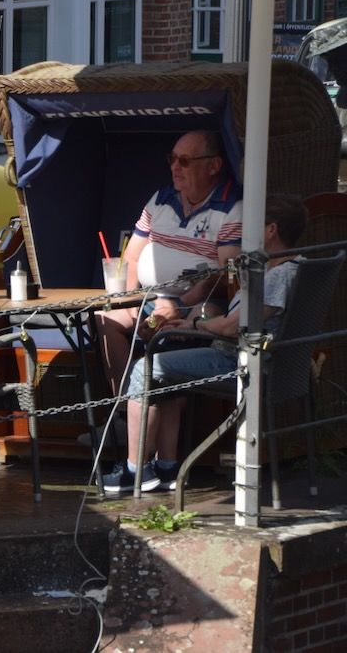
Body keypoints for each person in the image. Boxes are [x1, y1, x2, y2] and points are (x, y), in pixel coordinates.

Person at [102, 193, 308, 494]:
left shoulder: (276, 277)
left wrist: (196, 325)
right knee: (166, 358)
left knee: (144, 370)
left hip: (241, 363)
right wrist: (190, 324)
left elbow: (232, 327)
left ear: (271, 230)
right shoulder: (298, 266)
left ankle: (134, 472)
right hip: (267, 362)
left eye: (251, 226)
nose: (244, 234)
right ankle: (167, 467)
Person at [97, 130, 243, 391]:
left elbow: (227, 276)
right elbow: (131, 257)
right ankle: (124, 400)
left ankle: (165, 397)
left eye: (184, 161)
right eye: (172, 159)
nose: (175, 167)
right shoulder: (161, 199)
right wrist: (130, 302)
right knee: (104, 319)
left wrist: (178, 304)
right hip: (149, 301)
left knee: (193, 317)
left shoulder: (231, 207)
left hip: (197, 305)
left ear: (214, 166)